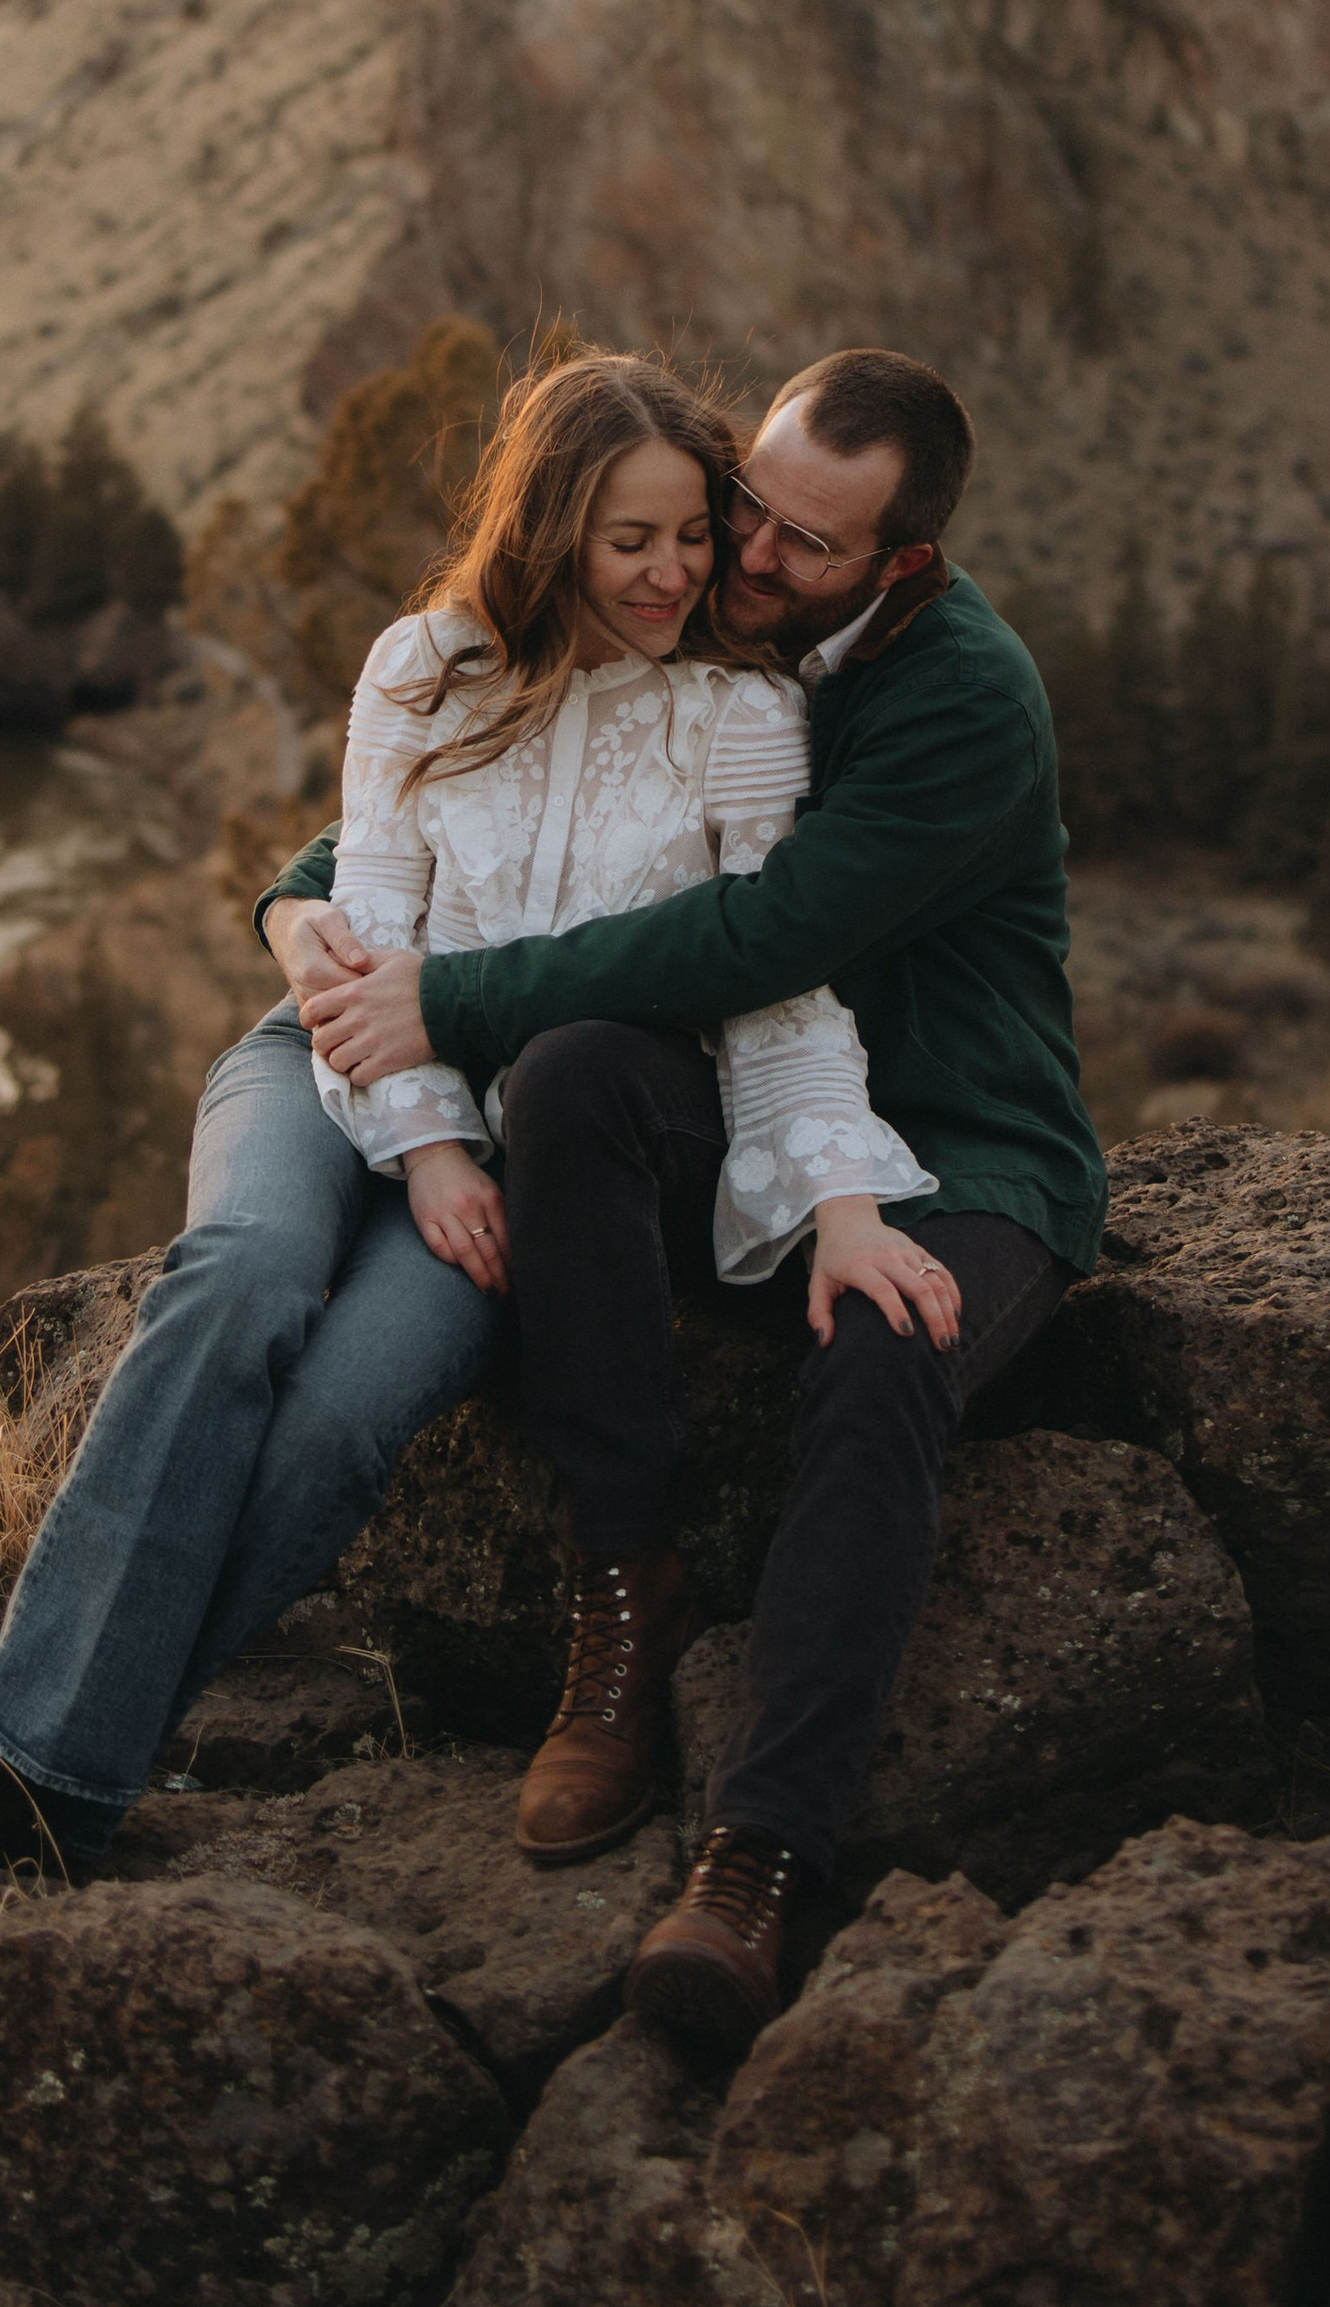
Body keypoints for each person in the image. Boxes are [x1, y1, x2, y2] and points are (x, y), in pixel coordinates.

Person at [0, 343, 931, 1878]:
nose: (677, 571)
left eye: (693, 532)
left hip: (511, 1142)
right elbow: (362, 931)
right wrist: (432, 1149)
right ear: (552, 535)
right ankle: (1, 1756)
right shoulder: (426, 666)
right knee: (241, 1280)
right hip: (327, 1062)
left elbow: (775, 991)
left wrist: (844, 1206)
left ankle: (46, 1772)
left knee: (345, 1416)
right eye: (630, 539)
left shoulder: (739, 720)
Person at [283, 345, 1105, 2056]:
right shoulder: (727, 628)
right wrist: (296, 903)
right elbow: (456, 764)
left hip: (964, 1147)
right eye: (748, 509)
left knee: (881, 1356)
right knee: (577, 1078)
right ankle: (624, 1590)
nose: (744, 556)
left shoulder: (955, 697)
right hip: (750, 1110)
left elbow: (764, 945)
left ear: (902, 563)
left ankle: (756, 1858)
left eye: (804, 545)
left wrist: (452, 1001)